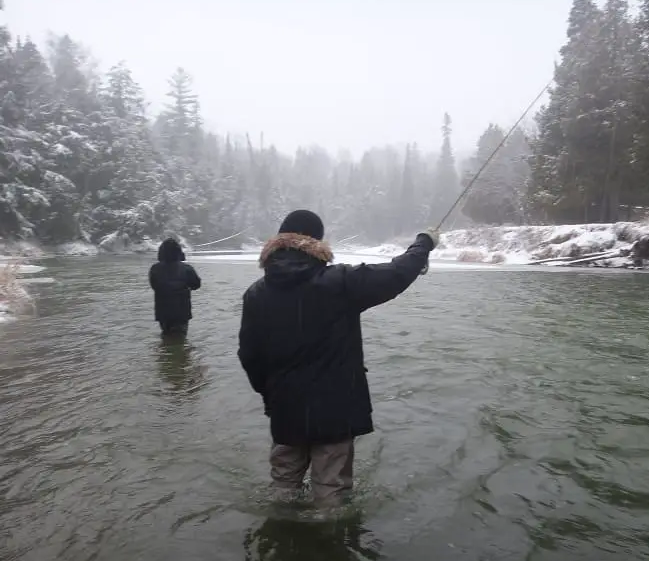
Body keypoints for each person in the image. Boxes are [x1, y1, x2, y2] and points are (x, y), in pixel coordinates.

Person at [237, 209, 439, 505]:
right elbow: (397, 273)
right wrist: (424, 243)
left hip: (285, 408)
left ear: (278, 243)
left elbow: (249, 356)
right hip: (335, 411)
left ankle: (278, 540)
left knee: (282, 487)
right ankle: (329, 545)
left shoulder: (255, 294)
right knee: (331, 495)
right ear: (316, 243)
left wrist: (270, 397)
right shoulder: (340, 282)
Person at [148, 237, 202, 336]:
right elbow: (196, 285)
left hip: (163, 312)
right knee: (180, 339)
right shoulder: (187, 269)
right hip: (181, 312)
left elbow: (154, 286)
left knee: (166, 336)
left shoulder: (155, 269)